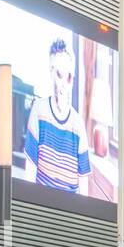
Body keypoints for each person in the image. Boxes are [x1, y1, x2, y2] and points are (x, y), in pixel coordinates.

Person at [23, 38, 92, 195]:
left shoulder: (78, 123)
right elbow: (30, 172)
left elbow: (84, 185)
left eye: (69, 77)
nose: (64, 83)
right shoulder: (39, 110)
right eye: (59, 75)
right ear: (51, 72)